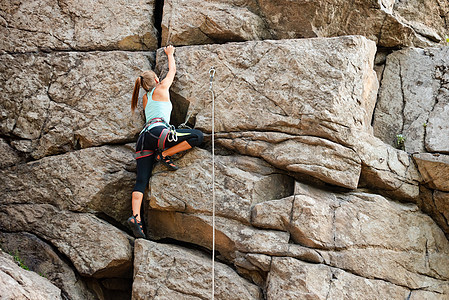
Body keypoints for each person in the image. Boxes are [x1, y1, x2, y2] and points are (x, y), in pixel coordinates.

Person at [127, 45, 203, 238]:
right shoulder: (161, 87)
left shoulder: (145, 98)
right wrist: (170, 54)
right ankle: (164, 154)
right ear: (156, 80)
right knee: (198, 136)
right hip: (159, 133)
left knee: (141, 180)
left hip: (143, 139)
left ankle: (135, 217)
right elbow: (173, 72)